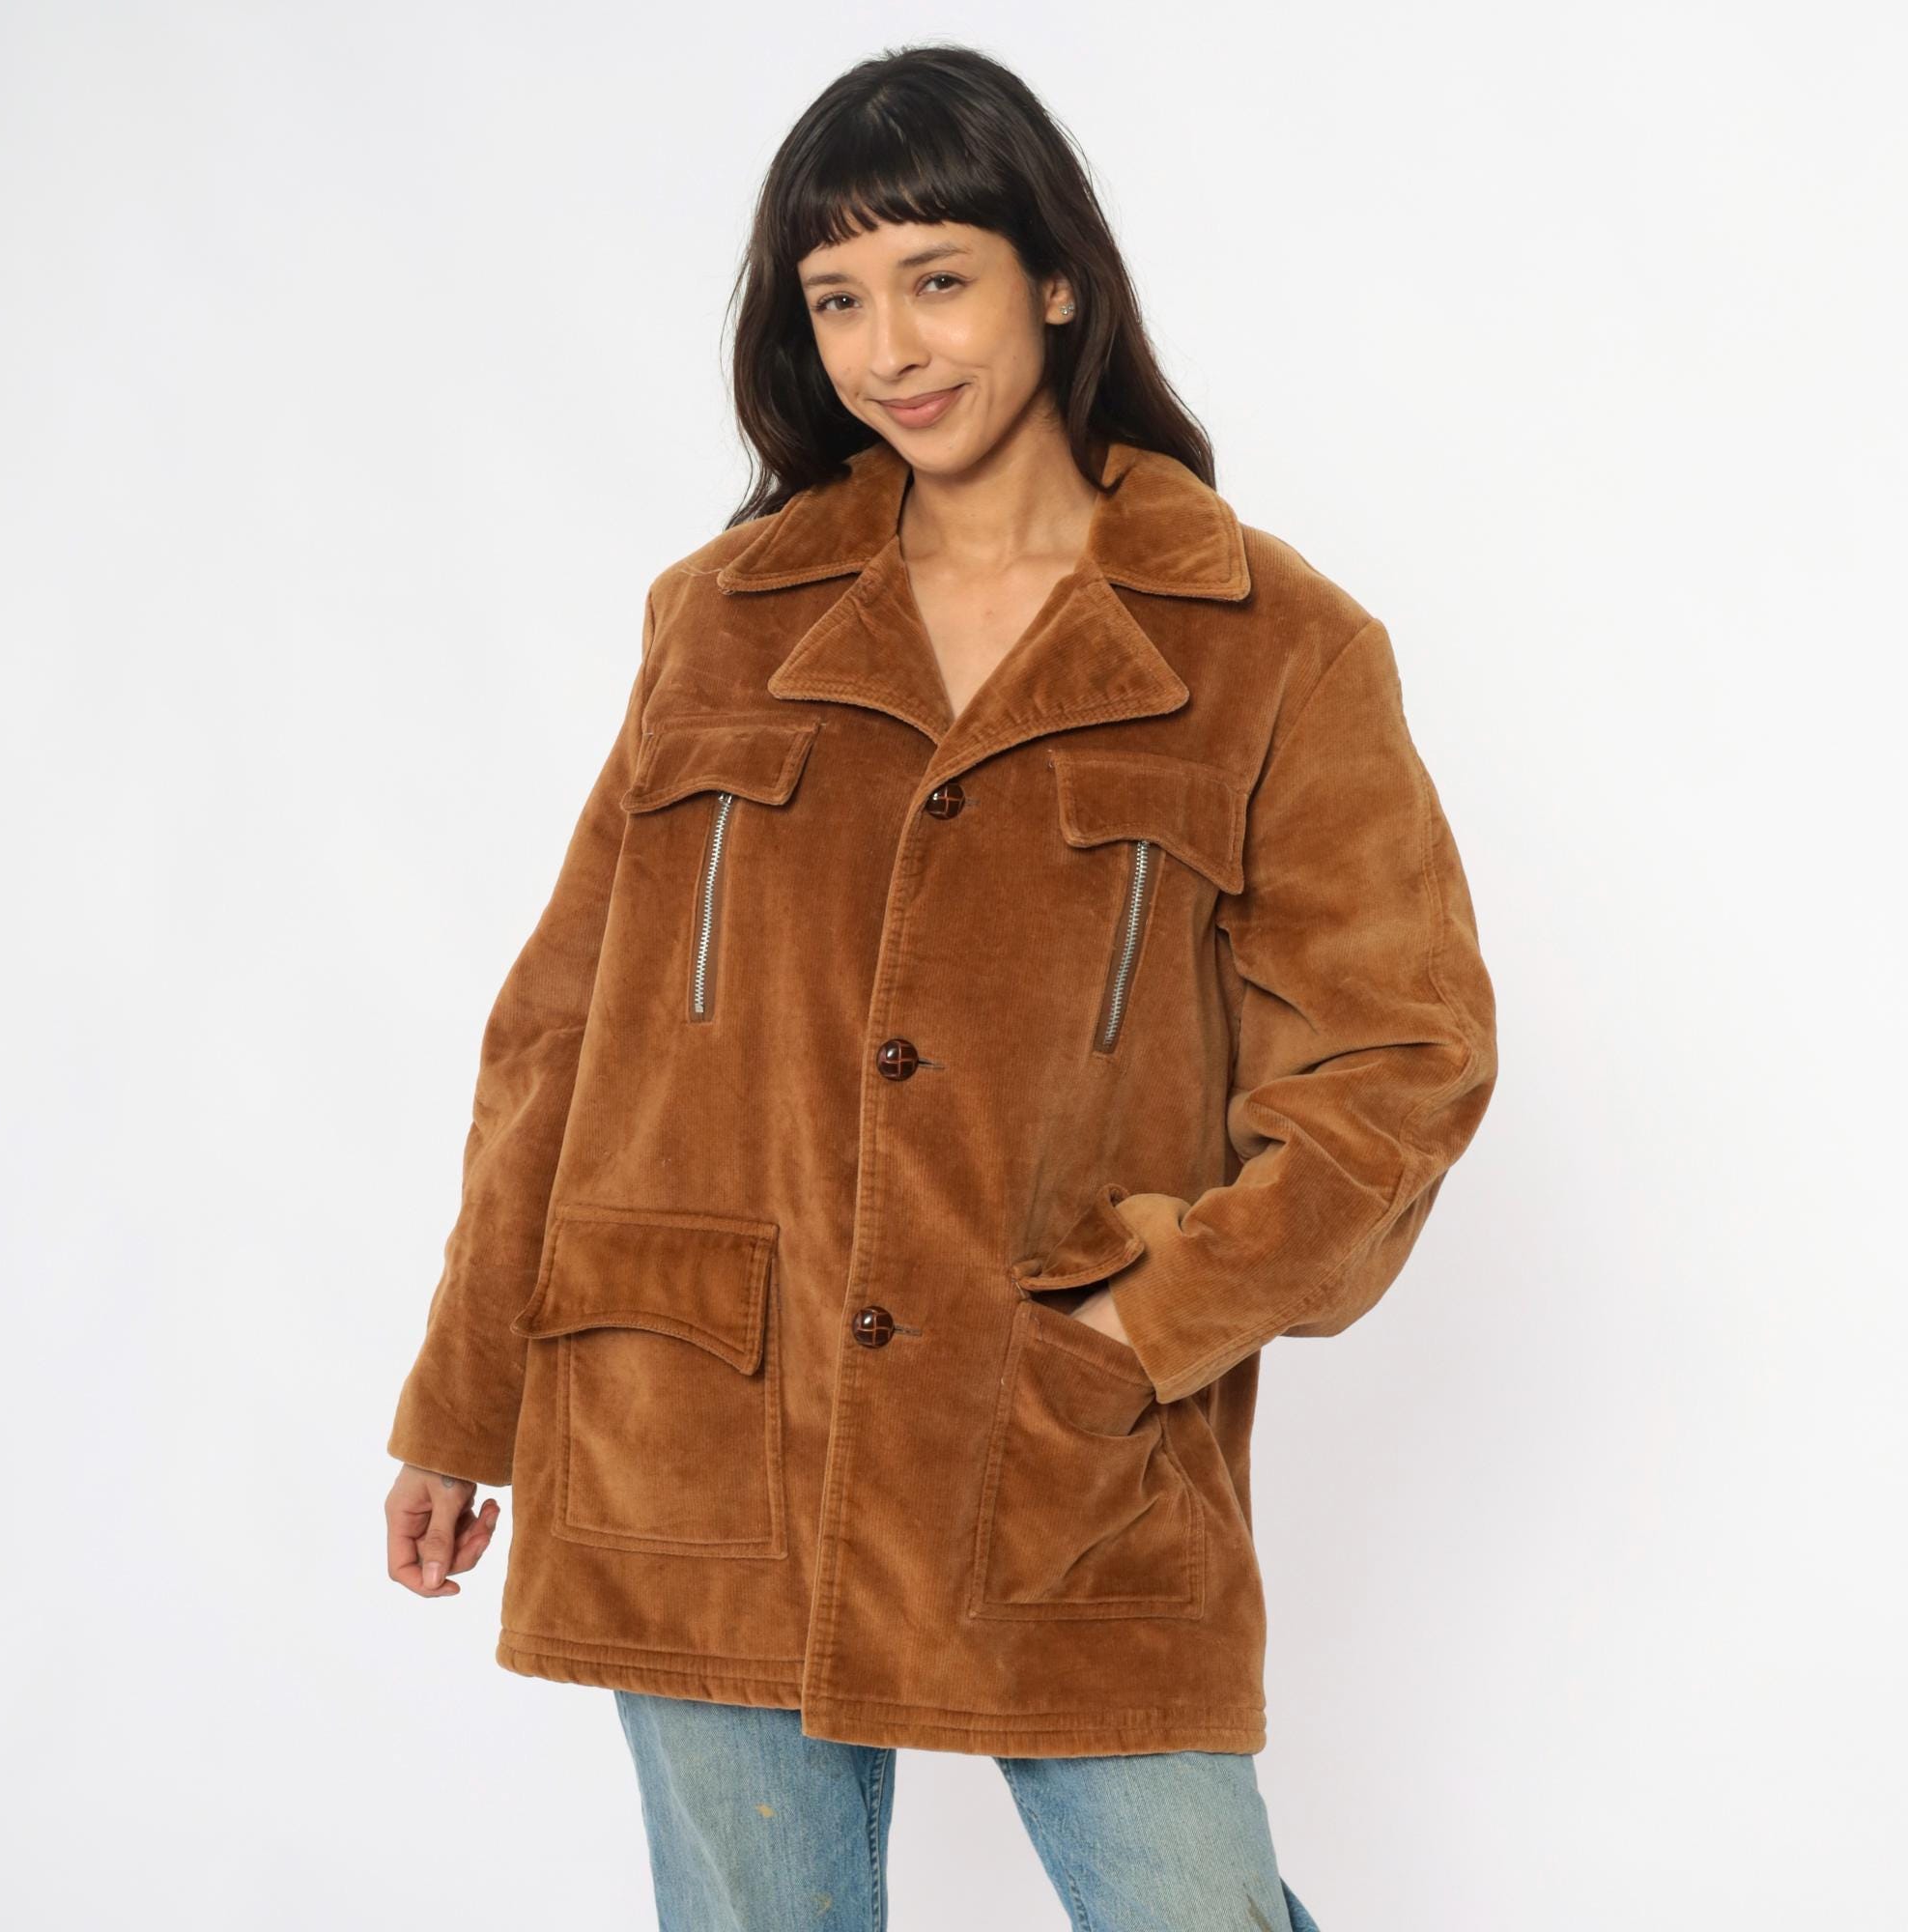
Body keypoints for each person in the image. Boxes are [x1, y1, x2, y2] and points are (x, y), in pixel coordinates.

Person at [383, 42, 1495, 1932]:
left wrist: (1146, 1325)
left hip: (1053, 1440)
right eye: (836, 298)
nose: (889, 347)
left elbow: (1402, 1063)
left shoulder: (1270, 645)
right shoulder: (720, 620)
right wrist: (461, 1395)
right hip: (703, 1422)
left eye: (936, 278)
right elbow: (561, 1024)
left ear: (1054, 279)